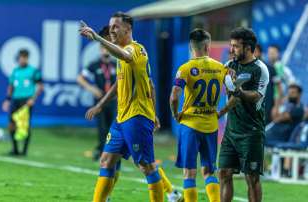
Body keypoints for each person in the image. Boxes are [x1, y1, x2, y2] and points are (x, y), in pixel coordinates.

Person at [80, 12, 165, 202]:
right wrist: (101, 105)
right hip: (121, 118)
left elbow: (126, 57)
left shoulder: (136, 50)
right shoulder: (121, 55)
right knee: (106, 160)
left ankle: (169, 196)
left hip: (137, 117)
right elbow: (120, 84)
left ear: (128, 29)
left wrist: (97, 38)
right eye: (110, 27)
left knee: (146, 166)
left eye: (115, 27)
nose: (112, 30)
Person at [170, 28, 235, 202]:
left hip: (190, 126)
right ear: (207, 46)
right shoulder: (221, 68)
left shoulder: (185, 68)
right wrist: (221, 112)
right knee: (208, 171)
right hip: (211, 126)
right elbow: (235, 94)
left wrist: (176, 114)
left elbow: (174, 95)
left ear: (191, 47)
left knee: (189, 173)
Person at [218, 27, 269, 202]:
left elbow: (256, 97)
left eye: (236, 46)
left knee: (252, 178)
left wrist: (239, 91)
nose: (231, 50)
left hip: (252, 132)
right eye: (231, 45)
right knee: (224, 173)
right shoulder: (229, 66)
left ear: (248, 48)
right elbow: (227, 93)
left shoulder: (260, 69)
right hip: (231, 131)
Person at [77, 26, 116, 161]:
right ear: (100, 49)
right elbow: (80, 78)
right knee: (102, 127)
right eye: (103, 48)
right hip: (99, 100)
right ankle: (101, 151)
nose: (105, 51)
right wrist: (92, 89)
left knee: (113, 128)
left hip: (113, 100)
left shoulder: (115, 64)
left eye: (107, 48)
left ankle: (111, 152)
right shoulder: (95, 64)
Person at [2, 49, 44, 156]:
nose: (23, 59)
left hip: (26, 100)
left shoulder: (33, 71)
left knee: (24, 125)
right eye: (21, 57)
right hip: (15, 99)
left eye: (25, 57)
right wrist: (7, 99)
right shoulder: (15, 71)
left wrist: (33, 98)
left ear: (27, 58)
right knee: (11, 124)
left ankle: (24, 151)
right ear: (19, 58)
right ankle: (15, 149)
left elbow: (40, 86)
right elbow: (11, 86)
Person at [254, 44, 283, 124]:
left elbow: (279, 89)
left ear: (260, 53)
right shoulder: (245, 70)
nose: (252, 54)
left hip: (267, 108)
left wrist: (276, 107)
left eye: (255, 51)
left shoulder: (271, 69)